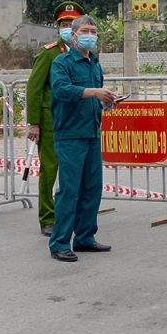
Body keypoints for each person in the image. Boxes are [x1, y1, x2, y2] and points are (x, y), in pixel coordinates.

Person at [48, 14, 117, 262]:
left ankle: (85, 237)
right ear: (74, 35)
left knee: (92, 188)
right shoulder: (62, 62)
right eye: (85, 30)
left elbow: (95, 96)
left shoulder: (95, 63)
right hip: (70, 134)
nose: (90, 35)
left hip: (91, 132)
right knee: (69, 190)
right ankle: (59, 243)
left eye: (93, 30)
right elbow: (62, 90)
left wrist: (107, 100)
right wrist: (94, 92)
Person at [26, 1, 84, 236]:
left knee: (75, 171)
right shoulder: (49, 52)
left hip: (78, 123)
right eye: (63, 24)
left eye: (72, 24)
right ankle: (47, 218)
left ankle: (71, 214)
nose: (67, 27)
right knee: (49, 171)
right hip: (52, 122)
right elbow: (34, 88)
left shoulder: (85, 53)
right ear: (58, 27)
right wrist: (34, 123)